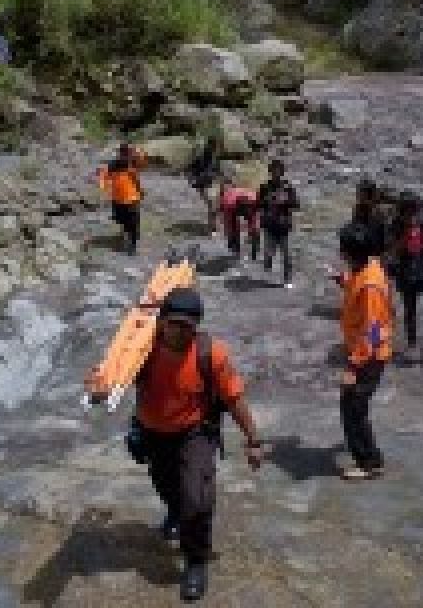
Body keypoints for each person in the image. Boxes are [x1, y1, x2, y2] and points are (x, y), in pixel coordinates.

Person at [110, 287, 262, 601]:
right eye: (174, 323)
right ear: (162, 321)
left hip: (196, 431)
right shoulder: (141, 348)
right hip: (153, 432)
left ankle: (195, 560)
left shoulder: (211, 354)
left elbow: (234, 398)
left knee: (197, 497)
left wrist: (253, 440)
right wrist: (98, 387)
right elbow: (112, 377)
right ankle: (176, 512)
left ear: (197, 326)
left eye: (188, 326)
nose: (180, 331)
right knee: (166, 485)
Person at [333, 222, 394, 481]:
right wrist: (344, 281)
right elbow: (358, 284)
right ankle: (364, 451)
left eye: (343, 248)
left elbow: (371, 330)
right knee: (353, 406)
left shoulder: (370, 286)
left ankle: (369, 461)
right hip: (365, 352)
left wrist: (353, 367)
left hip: (368, 356)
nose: (340, 252)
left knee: (353, 408)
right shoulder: (367, 267)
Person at [389, 191, 423, 368]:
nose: (413, 217)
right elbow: (391, 251)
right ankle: (412, 344)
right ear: (402, 212)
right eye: (410, 213)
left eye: (416, 212)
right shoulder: (395, 224)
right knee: (410, 312)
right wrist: (404, 239)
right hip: (406, 274)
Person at [99, 142, 147, 255]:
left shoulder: (133, 163)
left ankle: (133, 245)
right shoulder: (113, 165)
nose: (125, 156)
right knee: (122, 220)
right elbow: (103, 176)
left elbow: (142, 163)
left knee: (133, 222)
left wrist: (136, 151)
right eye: (123, 153)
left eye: (127, 153)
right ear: (120, 154)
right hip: (118, 199)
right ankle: (127, 239)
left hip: (132, 198)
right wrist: (104, 188)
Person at [257, 159, 298, 288]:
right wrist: (267, 200)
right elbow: (258, 205)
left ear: (282, 172)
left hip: (284, 225)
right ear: (270, 172)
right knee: (269, 253)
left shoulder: (288, 187)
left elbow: (296, 204)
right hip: (269, 225)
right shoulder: (264, 187)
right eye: (274, 170)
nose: (276, 173)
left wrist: (285, 201)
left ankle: (287, 279)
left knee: (287, 255)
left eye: (278, 170)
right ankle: (267, 267)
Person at [186, 136, 222, 235]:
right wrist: (192, 180)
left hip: (213, 183)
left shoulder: (215, 159)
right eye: (215, 146)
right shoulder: (202, 157)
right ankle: (212, 228)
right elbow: (191, 169)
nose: (216, 149)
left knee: (214, 206)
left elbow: (217, 171)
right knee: (212, 205)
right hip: (204, 184)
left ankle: (213, 226)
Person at [219, 181, 260, 260]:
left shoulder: (254, 200)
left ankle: (254, 252)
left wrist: (254, 233)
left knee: (255, 229)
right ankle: (234, 249)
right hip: (232, 206)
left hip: (247, 202)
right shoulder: (229, 203)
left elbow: (255, 223)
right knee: (233, 229)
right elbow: (229, 224)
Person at [351, 178, 389, 260]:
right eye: (358, 195)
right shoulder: (358, 208)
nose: (359, 199)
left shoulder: (379, 211)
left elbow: (383, 234)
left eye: (361, 196)